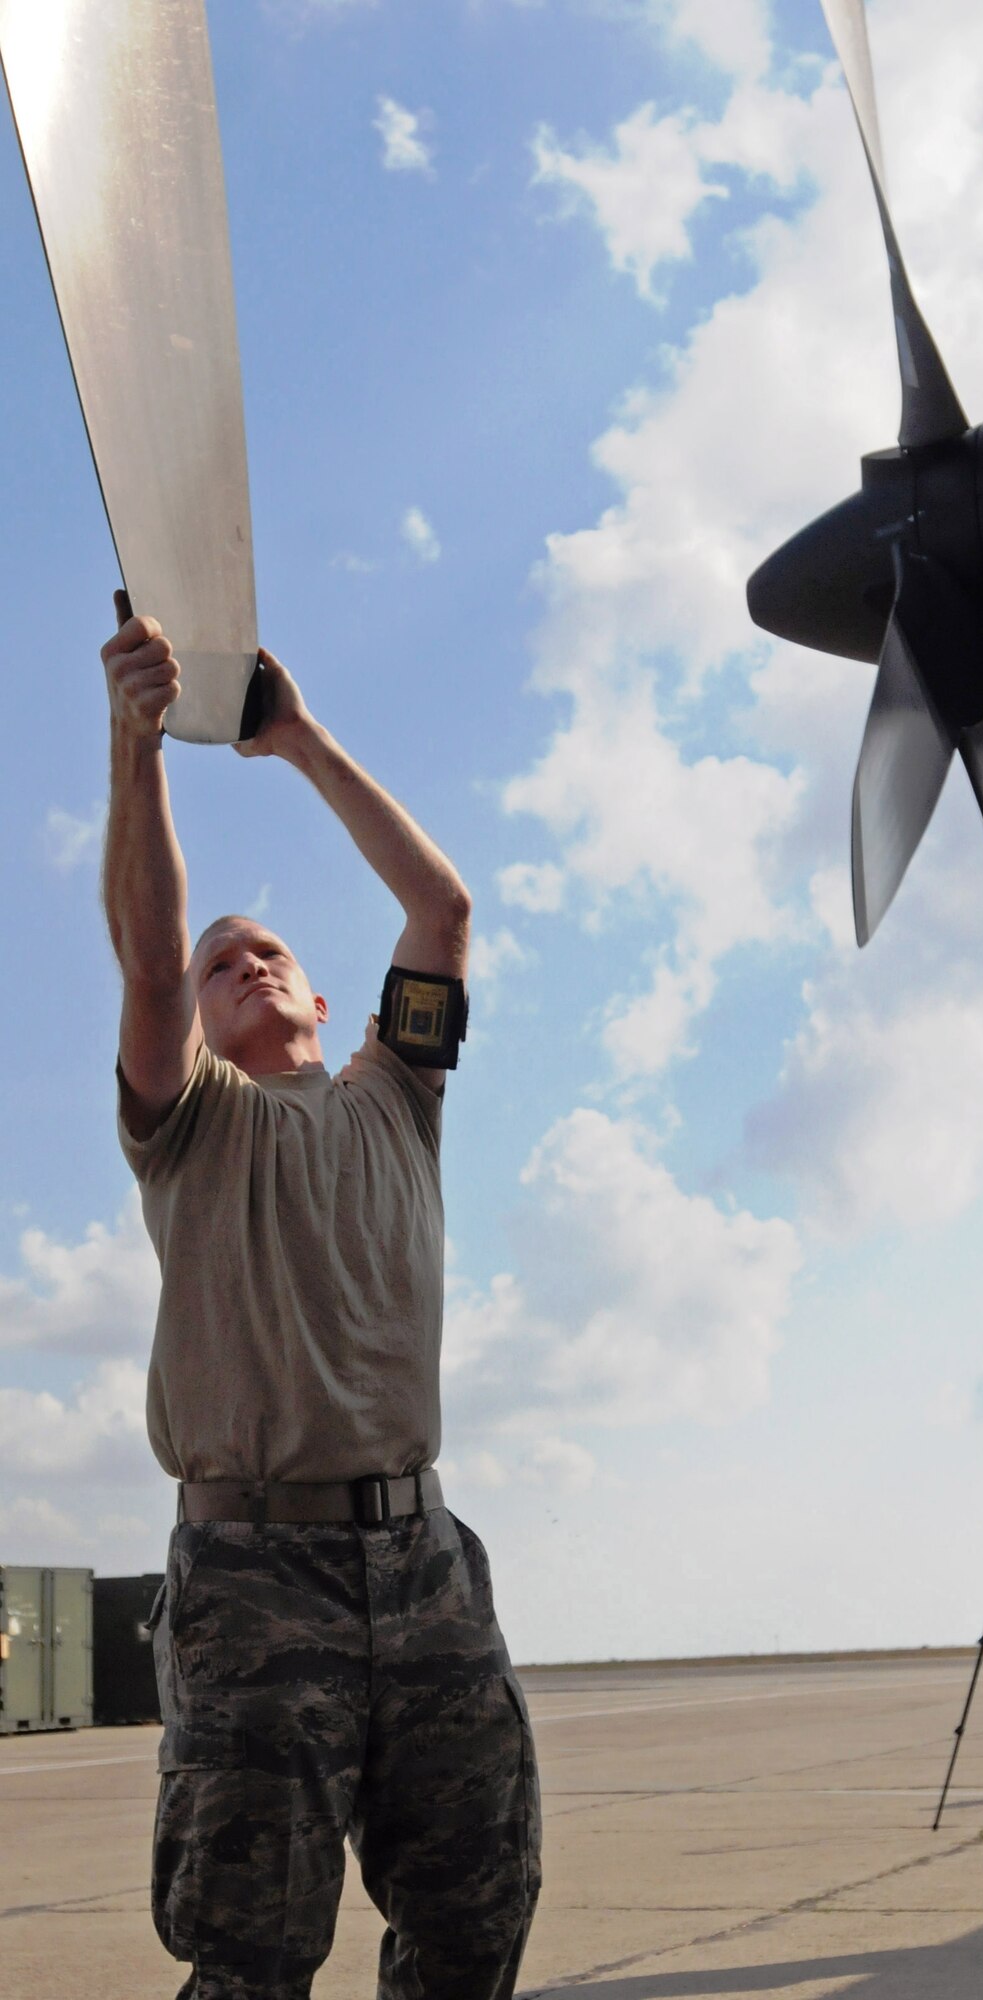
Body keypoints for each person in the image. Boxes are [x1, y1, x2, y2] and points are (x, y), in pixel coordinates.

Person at [102, 603, 541, 2000]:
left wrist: (293, 739)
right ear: (196, 1016)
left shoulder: (396, 1099)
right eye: (220, 967)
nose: (243, 964)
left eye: (268, 951)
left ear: (318, 986)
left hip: (424, 1565)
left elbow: (443, 908)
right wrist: (139, 746)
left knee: (475, 1915)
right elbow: (152, 944)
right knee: (251, 1957)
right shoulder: (190, 1122)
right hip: (254, 1577)